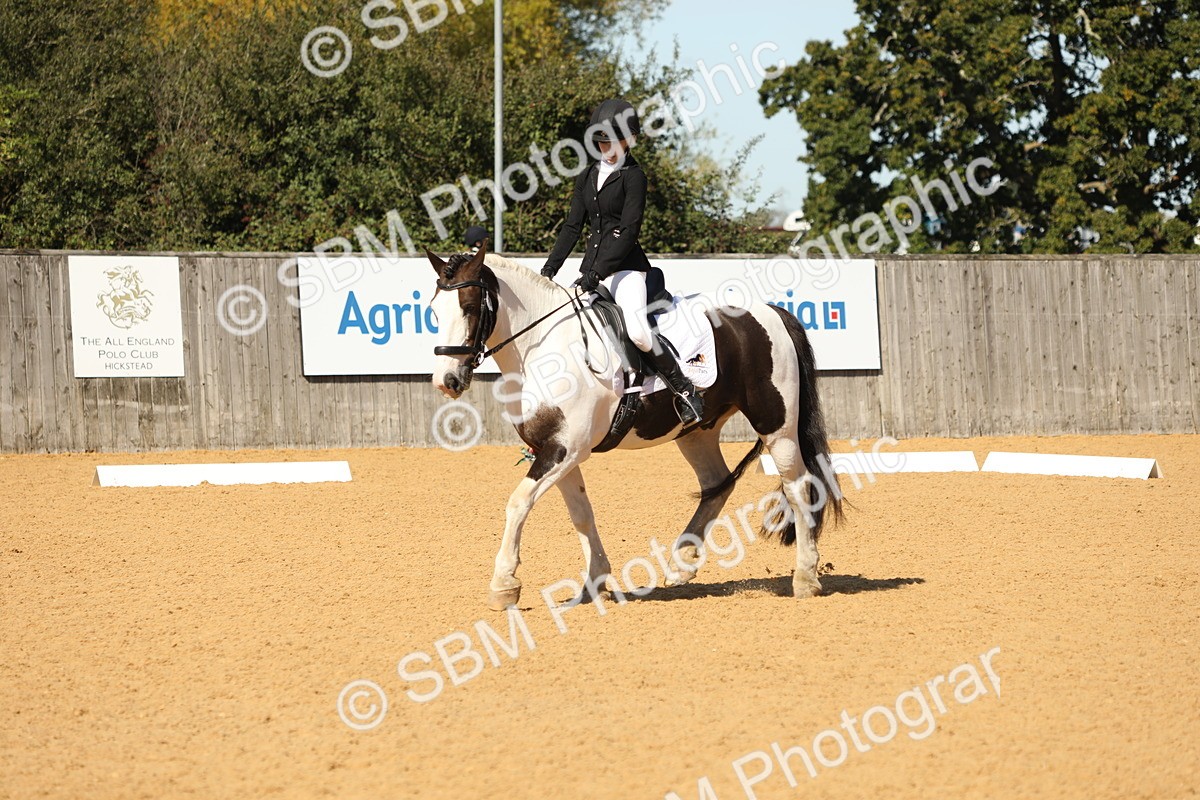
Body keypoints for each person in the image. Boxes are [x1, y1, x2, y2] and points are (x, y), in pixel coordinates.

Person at [540, 98, 704, 424]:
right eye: (601, 140)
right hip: (591, 272)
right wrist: (550, 269)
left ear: (628, 140)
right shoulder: (587, 176)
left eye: (613, 141)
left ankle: (685, 390)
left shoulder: (634, 177)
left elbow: (627, 231)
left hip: (627, 271)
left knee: (639, 332)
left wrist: (597, 272)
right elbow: (572, 226)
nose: (606, 147)